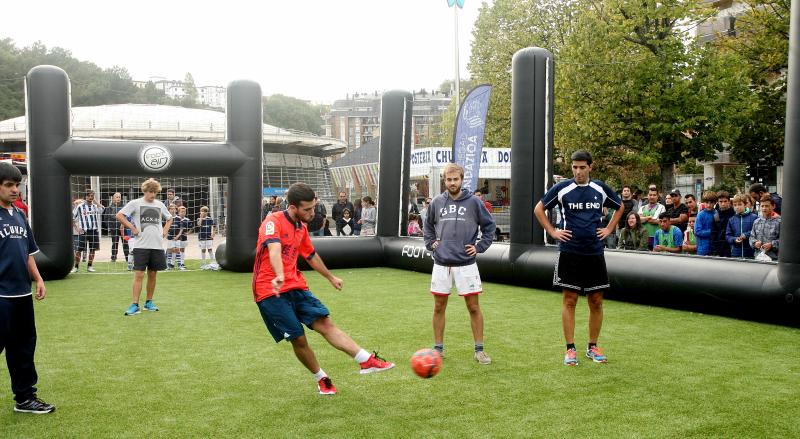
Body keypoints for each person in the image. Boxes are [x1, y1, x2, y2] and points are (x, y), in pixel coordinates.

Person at [253, 183, 395, 395]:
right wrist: (280, 274)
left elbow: (310, 255)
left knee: (325, 323)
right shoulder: (272, 221)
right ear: (293, 207)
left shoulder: (300, 227)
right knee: (298, 337)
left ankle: (366, 360)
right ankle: (322, 378)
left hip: (296, 285)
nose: (312, 213)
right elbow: (274, 250)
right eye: (307, 209)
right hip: (270, 290)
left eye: (314, 207)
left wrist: (330, 277)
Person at [534, 150, 622, 366]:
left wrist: (609, 228)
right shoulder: (563, 188)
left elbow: (620, 206)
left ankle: (593, 346)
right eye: (574, 167)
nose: (578, 171)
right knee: (570, 300)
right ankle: (570, 348)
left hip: (594, 252)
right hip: (569, 252)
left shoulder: (599, 188)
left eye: (582, 167)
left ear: (590, 167)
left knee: (596, 301)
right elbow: (539, 209)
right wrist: (553, 232)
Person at [424, 163, 496, 365]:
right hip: (441, 264)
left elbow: (490, 226)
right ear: (444, 181)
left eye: (456, 179)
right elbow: (428, 225)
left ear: (462, 180)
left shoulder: (474, 202)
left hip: (466, 264)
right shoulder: (437, 202)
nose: (452, 183)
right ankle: (438, 349)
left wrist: (480, 246)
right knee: (439, 307)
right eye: (449, 179)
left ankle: (479, 350)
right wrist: (431, 243)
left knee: (473, 307)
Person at [0, 162, 55, 414]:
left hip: (21, 294)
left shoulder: (20, 215)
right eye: (9, 185)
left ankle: (24, 398)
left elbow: (28, 253)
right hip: (1, 296)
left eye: (17, 185)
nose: (14, 190)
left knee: (22, 348)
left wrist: (38, 278)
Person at [116, 178, 173, 316]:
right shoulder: (135, 203)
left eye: (155, 192)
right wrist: (132, 228)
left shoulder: (159, 205)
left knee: (153, 275)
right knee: (139, 274)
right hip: (141, 246)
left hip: (157, 246)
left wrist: (165, 231)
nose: (153, 195)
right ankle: (135, 305)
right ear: (145, 191)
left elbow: (169, 218)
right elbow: (119, 215)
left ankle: (149, 302)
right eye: (150, 192)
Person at [71, 189, 104, 273]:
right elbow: (72, 218)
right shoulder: (80, 206)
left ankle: (90, 266)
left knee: (92, 249)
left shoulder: (95, 206)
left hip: (94, 231)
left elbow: (103, 209)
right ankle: (76, 267)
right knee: (79, 250)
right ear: (85, 197)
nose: (90, 197)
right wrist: (77, 228)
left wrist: (96, 201)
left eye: (92, 196)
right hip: (84, 231)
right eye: (89, 196)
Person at [726, 194, 757, 259]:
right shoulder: (731, 220)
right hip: (736, 254)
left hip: (750, 253)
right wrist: (734, 239)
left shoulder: (754, 217)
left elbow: (757, 231)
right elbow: (728, 236)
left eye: (740, 204)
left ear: (745, 205)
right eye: (735, 205)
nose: (737, 207)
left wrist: (746, 235)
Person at [750, 195, 780, 261]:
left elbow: (785, 241)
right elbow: (751, 237)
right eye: (762, 206)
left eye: (767, 206)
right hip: (758, 257)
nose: (764, 208)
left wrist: (772, 244)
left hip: (774, 259)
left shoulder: (779, 222)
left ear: (773, 206)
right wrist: (755, 243)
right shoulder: (756, 222)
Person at [103, 192, 129, 263]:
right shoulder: (109, 208)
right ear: (113, 198)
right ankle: (113, 258)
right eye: (117, 197)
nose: (118, 198)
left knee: (126, 243)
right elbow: (105, 218)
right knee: (114, 243)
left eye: (119, 197)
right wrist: (110, 227)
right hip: (114, 229)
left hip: (124, 229)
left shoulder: (124, 207)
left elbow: (127, 217)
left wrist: (125, 225)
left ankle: (127, 258)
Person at [693, 192, 718, 256]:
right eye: (707, 203)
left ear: (715, 203)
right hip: (702, 249)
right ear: (703, 202)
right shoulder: (700, 215)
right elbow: (697, 231)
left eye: (711, 203)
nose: (709, 205)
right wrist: (712, 232)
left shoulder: (716, 213)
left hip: (715, 247)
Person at [713, 191, 734, 257]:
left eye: (725, 201)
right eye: (721, 201)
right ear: (717, 202)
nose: (723, 204)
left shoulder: (734, 213)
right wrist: (716, 251)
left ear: (729, 201)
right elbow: (714, 234)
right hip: (720, 247)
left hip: (732, 246)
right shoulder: (716, 215)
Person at [165, 204, 183, 270]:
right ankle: (169, 265)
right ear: (168, 210)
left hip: (177, 237)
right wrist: (166, 234)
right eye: (171, 209)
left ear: (176, 210)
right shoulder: (167, 218)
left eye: (174, 209)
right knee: (170, 250)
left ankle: (179, 265)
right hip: (170, 237)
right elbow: (165, 227)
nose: (172, 210)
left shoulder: (179, 218)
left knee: (177, 250)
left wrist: (178, 236)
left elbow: (181, 228)